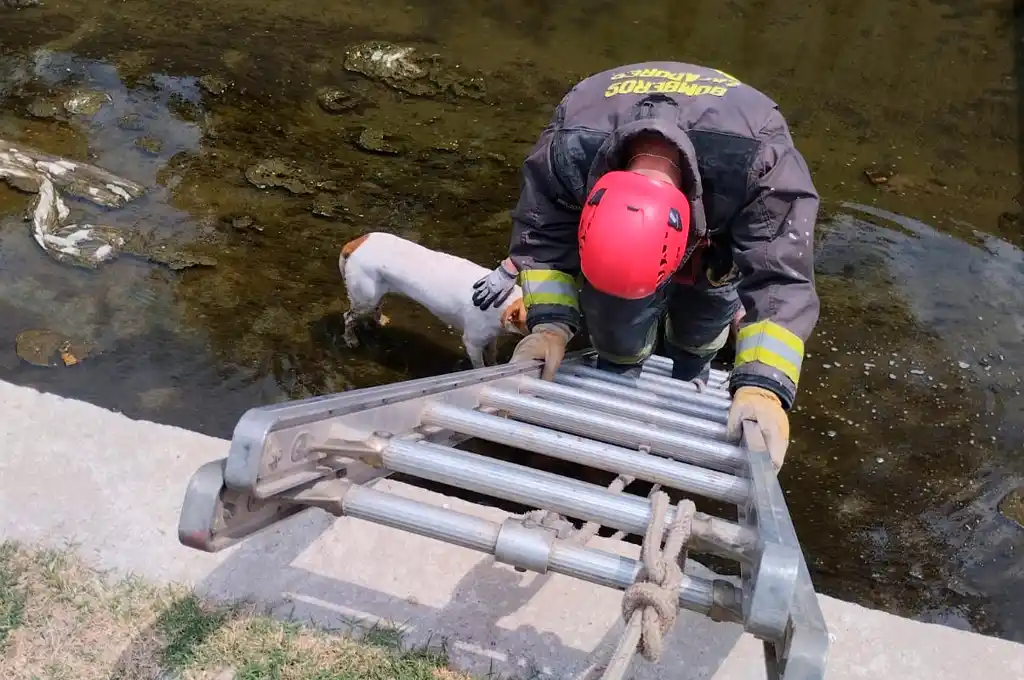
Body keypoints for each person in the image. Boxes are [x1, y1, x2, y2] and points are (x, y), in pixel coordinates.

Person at [471, 61, 820, 471]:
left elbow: (779, 278)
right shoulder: (570, 144)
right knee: (615, 323)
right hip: (609, 156)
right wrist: (550, 325)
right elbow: (542, 236)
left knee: (702, 324)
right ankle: (618, 379)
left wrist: (764, 385)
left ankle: (691, 374)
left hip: (718, 237)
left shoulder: (759, 157)